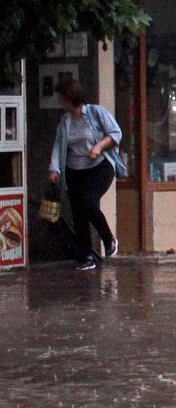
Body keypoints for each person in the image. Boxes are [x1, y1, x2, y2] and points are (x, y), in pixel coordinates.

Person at [46, 76, 122, 270]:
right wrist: (54, 168)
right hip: (74, 170)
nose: (59, 102)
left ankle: (109, 239)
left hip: (99, 167)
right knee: (78, 213)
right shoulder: (65, 121)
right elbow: (58, 145)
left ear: (70, 97)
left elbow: (115, 133)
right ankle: (86, 255)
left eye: (61, 98)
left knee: (88, 202)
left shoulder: (96, 113)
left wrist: (98, 146)